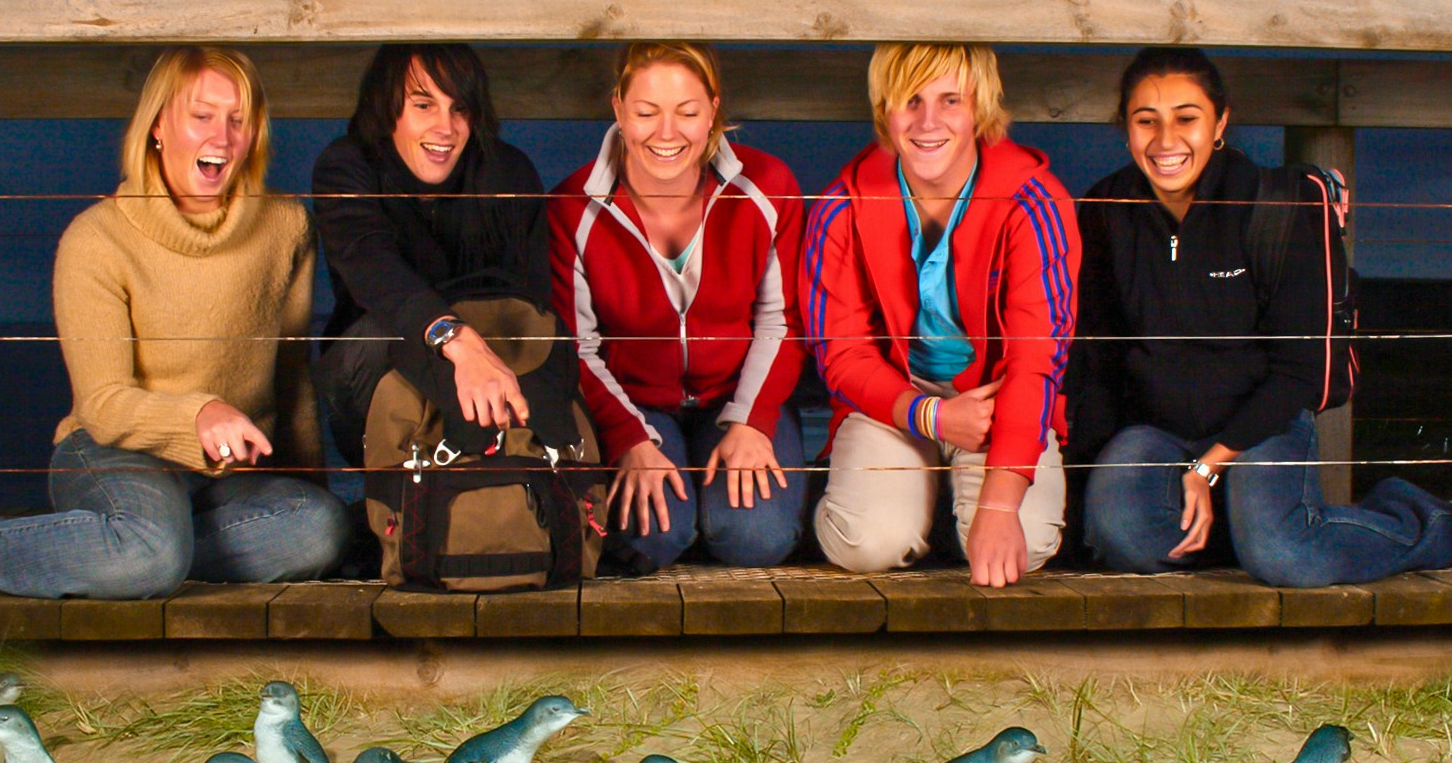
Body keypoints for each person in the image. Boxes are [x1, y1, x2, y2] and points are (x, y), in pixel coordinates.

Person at [0, 46, 348, 597]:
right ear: (157, 127)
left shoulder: (286, 226)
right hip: (114, 451)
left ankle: (121, 551)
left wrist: (312, 490)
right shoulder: (96, 238)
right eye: (201, 116)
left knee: (321, 530)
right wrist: (198, 413)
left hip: (223, 479)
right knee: (150, 550)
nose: (221, 137)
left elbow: (292, 381)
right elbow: (101, 405)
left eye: (238, 120)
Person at [1068, 46, 1452, 587]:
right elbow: (1097, 359)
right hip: (1156, 431)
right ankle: (1246, 528)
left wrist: (1209, 465)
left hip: (1265, 423)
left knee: (1287, 555)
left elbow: (1302, 371)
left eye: (1186, 118)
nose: (1166, 141)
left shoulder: (1273, 208)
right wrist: (1080, 503)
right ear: (1127, 130)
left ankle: (1445, 523)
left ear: (1220, 123)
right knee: (1124, 538)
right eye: (1147, 121)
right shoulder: (1106, 209)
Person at [802, 43, 1078, 586]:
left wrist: (999, 507)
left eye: (951, 100)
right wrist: (928, 415)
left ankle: (957, 503)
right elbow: (841, 354)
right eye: (910, 101)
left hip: (995, 399)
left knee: (1031, 540)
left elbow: (1036, 360)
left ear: (979, 108)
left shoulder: (1035, 202)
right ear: (885, 111)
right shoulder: (840, 206)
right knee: (866, 543)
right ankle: (888, 487)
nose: (929, 122)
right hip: (895, 397)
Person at [550, 42, 808, 570]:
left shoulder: (767, 186)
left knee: (755, 538)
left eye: (687, 113)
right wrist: (626, 438)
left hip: (738, 394)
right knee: (656, 537)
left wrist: (754, 422)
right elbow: (574, 346)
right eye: (646, 113)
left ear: (713, 109)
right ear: (619, 109)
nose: (667, 133)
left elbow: (782, 320)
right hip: (636, 400)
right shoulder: (572, 206)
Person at [311, 44, 549, 468]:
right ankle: (395, 494)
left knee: (532, 337)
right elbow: (372, 266)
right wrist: (456, 342)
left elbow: (531, 306)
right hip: (382, 377)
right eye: (424, 105)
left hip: (490, 379)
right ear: (389, 109)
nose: (446, 128)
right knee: (368, 341)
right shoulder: (347, 165)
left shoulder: (509, 173)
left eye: (459, 109)